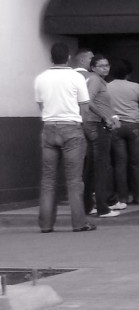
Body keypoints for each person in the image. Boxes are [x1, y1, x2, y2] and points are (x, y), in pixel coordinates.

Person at [35, 43, 96, 233]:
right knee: (74, 180)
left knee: (48, 180)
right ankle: (79, 223)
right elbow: (84, 107)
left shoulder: (41, 78)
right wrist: (80, 124)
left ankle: (46, 225)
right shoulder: (75, 77)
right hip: (71, 128)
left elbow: (41, 105)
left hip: (49, 128)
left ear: (51, 58)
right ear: (68, 58)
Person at [82, 54, 123, 218]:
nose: (105, 68)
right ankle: (102, 207)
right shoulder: (95, 80)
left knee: (92, 168)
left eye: (107, 65)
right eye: (101, 65)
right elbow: (88, 101)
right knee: (101, 167)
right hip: (97, 125)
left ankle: (87, 205)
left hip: (94, 124)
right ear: (93, 68)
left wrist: (112, 116)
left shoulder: (98, 81)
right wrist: (106, 117)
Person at [107, 59, 139, 204]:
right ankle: (138, 196)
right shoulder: (135, 86)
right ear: (128, 72)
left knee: (120, 162)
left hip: (116, 126)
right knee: (135, 162)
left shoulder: (107, 87)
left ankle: (123, 197)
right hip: (133, 125)